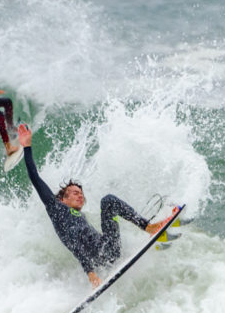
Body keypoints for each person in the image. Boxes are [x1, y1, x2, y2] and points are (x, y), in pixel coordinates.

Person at [17, 123, 176, 288]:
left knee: (109, 202)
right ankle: (148, 229)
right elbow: (35, 177)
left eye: (80, 192)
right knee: (106, 202)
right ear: (62, 200)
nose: (79, 194)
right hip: (98, 259)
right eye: (73, 192)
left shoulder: (78, 216)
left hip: (109, 249)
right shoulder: (56, 209)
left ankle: (148, 228)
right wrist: (27, 147)